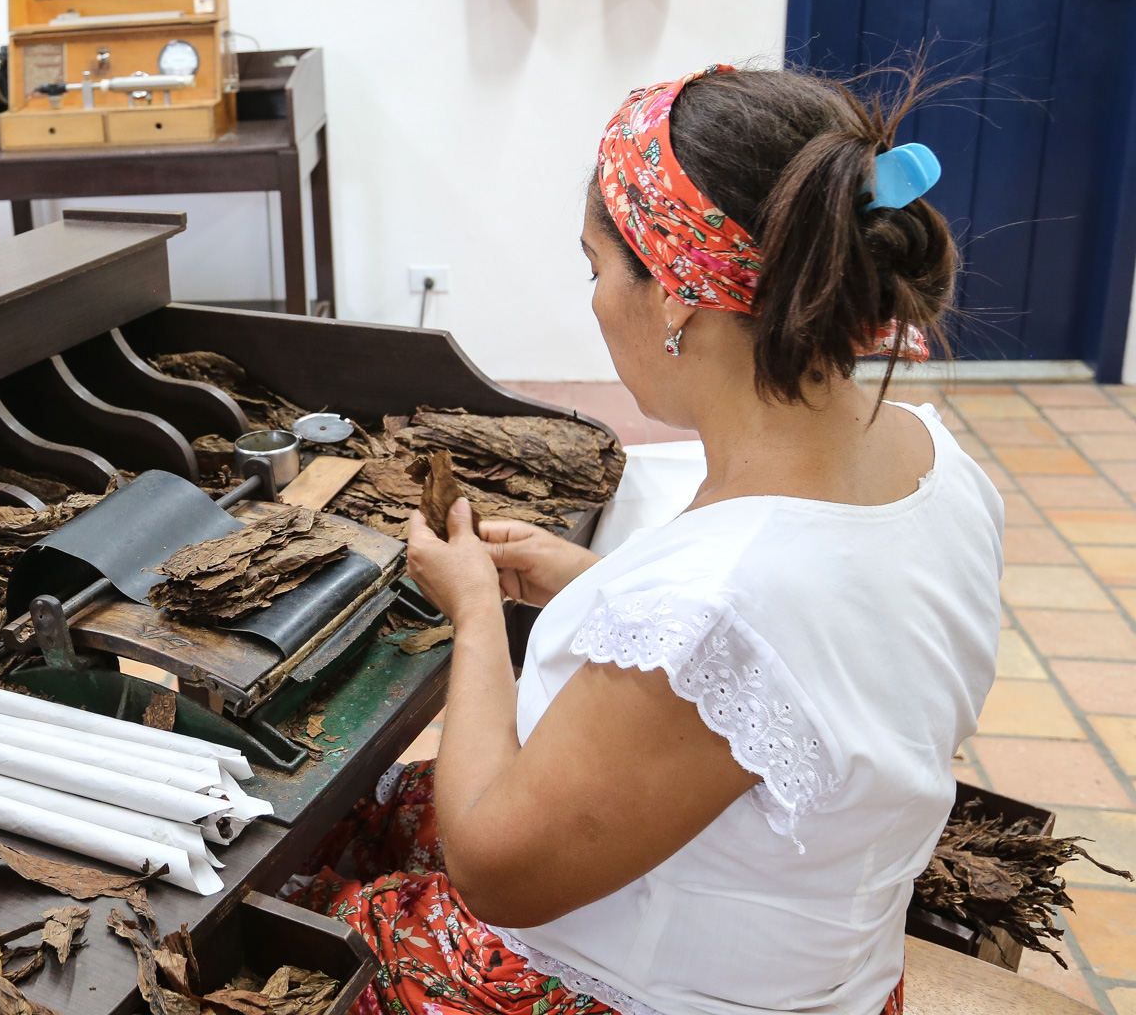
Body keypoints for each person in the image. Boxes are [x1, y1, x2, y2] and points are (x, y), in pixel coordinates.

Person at [292, 65, 1001, 1015]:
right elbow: (806, 657)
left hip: (648, 993)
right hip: (834, 968)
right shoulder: (936, 459)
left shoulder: (717, 606)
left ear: (674, 293)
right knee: (387, 806)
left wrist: (471, 615)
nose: (592, 301)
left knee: (304, 887)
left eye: (596, 267)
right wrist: (598, 587)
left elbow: (494, 871)